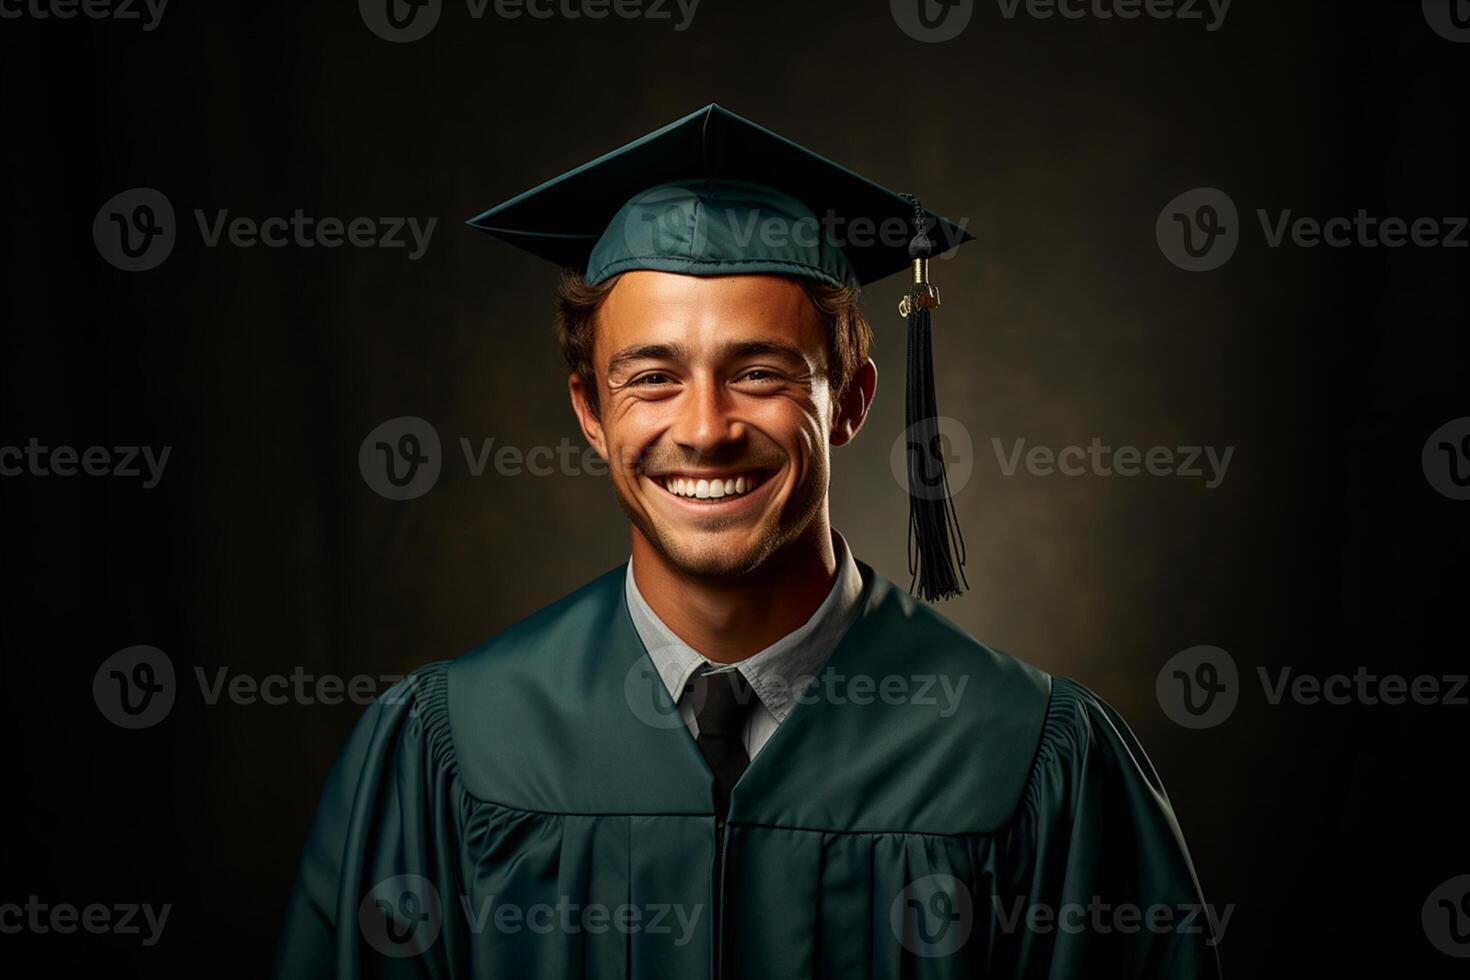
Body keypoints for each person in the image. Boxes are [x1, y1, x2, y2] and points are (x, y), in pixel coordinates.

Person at [272, 103, 1223, 979]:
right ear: (590, 410)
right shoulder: (449, 752)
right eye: (651, 377)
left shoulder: (1029, 760)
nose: (705, 427)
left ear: (849, 401)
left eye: (759, 372)